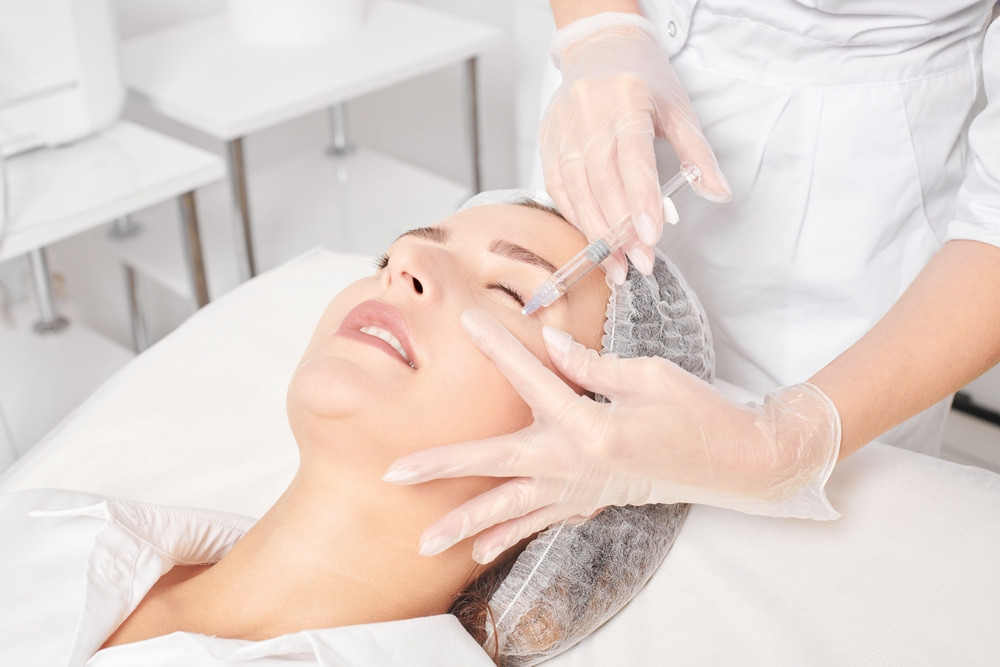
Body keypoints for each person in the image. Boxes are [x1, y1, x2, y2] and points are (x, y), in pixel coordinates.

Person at [381, 0, 1000, 564]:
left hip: (851, 222)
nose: (401, 261)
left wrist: (787, 444)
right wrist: (599, 29)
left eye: (512, 293)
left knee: (803, 540)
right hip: (607, 100)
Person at [0, 194, 706, 666]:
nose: (407, 261)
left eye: (511, 292)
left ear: (593, 470)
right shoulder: (48, 525)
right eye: (395, 254)